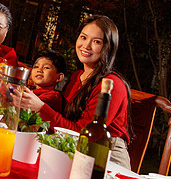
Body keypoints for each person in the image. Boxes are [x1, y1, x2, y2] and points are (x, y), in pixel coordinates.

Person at [19, 15, 131, 169]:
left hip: (105, 156)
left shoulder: (112, 85)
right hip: (72, 148)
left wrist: (41, 108)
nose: (86, 46)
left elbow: (84, 135)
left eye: (96, 41)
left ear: (108, 47)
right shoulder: (76, 77)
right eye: (83, 37)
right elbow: (63, 120)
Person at [28, 48, 66, 113]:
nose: (39, 70)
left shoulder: (53, 97)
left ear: (59, 77)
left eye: (46, 67)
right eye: (36, 67)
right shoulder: (33, 91)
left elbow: (28, 105)